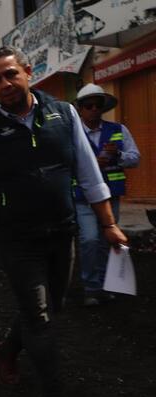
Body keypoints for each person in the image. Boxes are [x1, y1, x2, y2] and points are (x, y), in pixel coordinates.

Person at [0, 46, 127, 397]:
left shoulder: (64, 115)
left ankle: (6, 352)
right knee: (40, 317)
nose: (5, 84)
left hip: (61, 231)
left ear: (28, 71)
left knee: (51, 305)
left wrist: (109, 224)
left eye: (10, 74)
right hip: (14, 239)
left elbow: (87, 171)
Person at [73, 83, 140, 306]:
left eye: (97, 105)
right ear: (80, 108)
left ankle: (105, 284)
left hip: (111, 196)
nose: (93, 109)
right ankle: (91, 287)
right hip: (83, 197)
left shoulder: (118, 130)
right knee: (90, 239)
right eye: (88, 105)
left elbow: (135, 158)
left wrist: (118, 155)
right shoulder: (72, 134)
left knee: (105, 241)